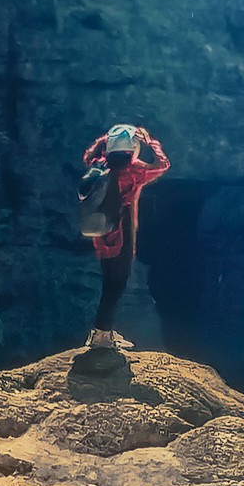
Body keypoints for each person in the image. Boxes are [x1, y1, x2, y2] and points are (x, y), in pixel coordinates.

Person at [77, 121, 168, 342]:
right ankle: (102, 335)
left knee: (108, 281)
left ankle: (101, 331)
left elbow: (87, 156)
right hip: (122, 235)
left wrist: (104, 138)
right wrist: (150, 142)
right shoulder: (133, 171)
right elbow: (163, 165)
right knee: (117, 284)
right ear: (132, 147)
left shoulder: (99, 164)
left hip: (102, 234)